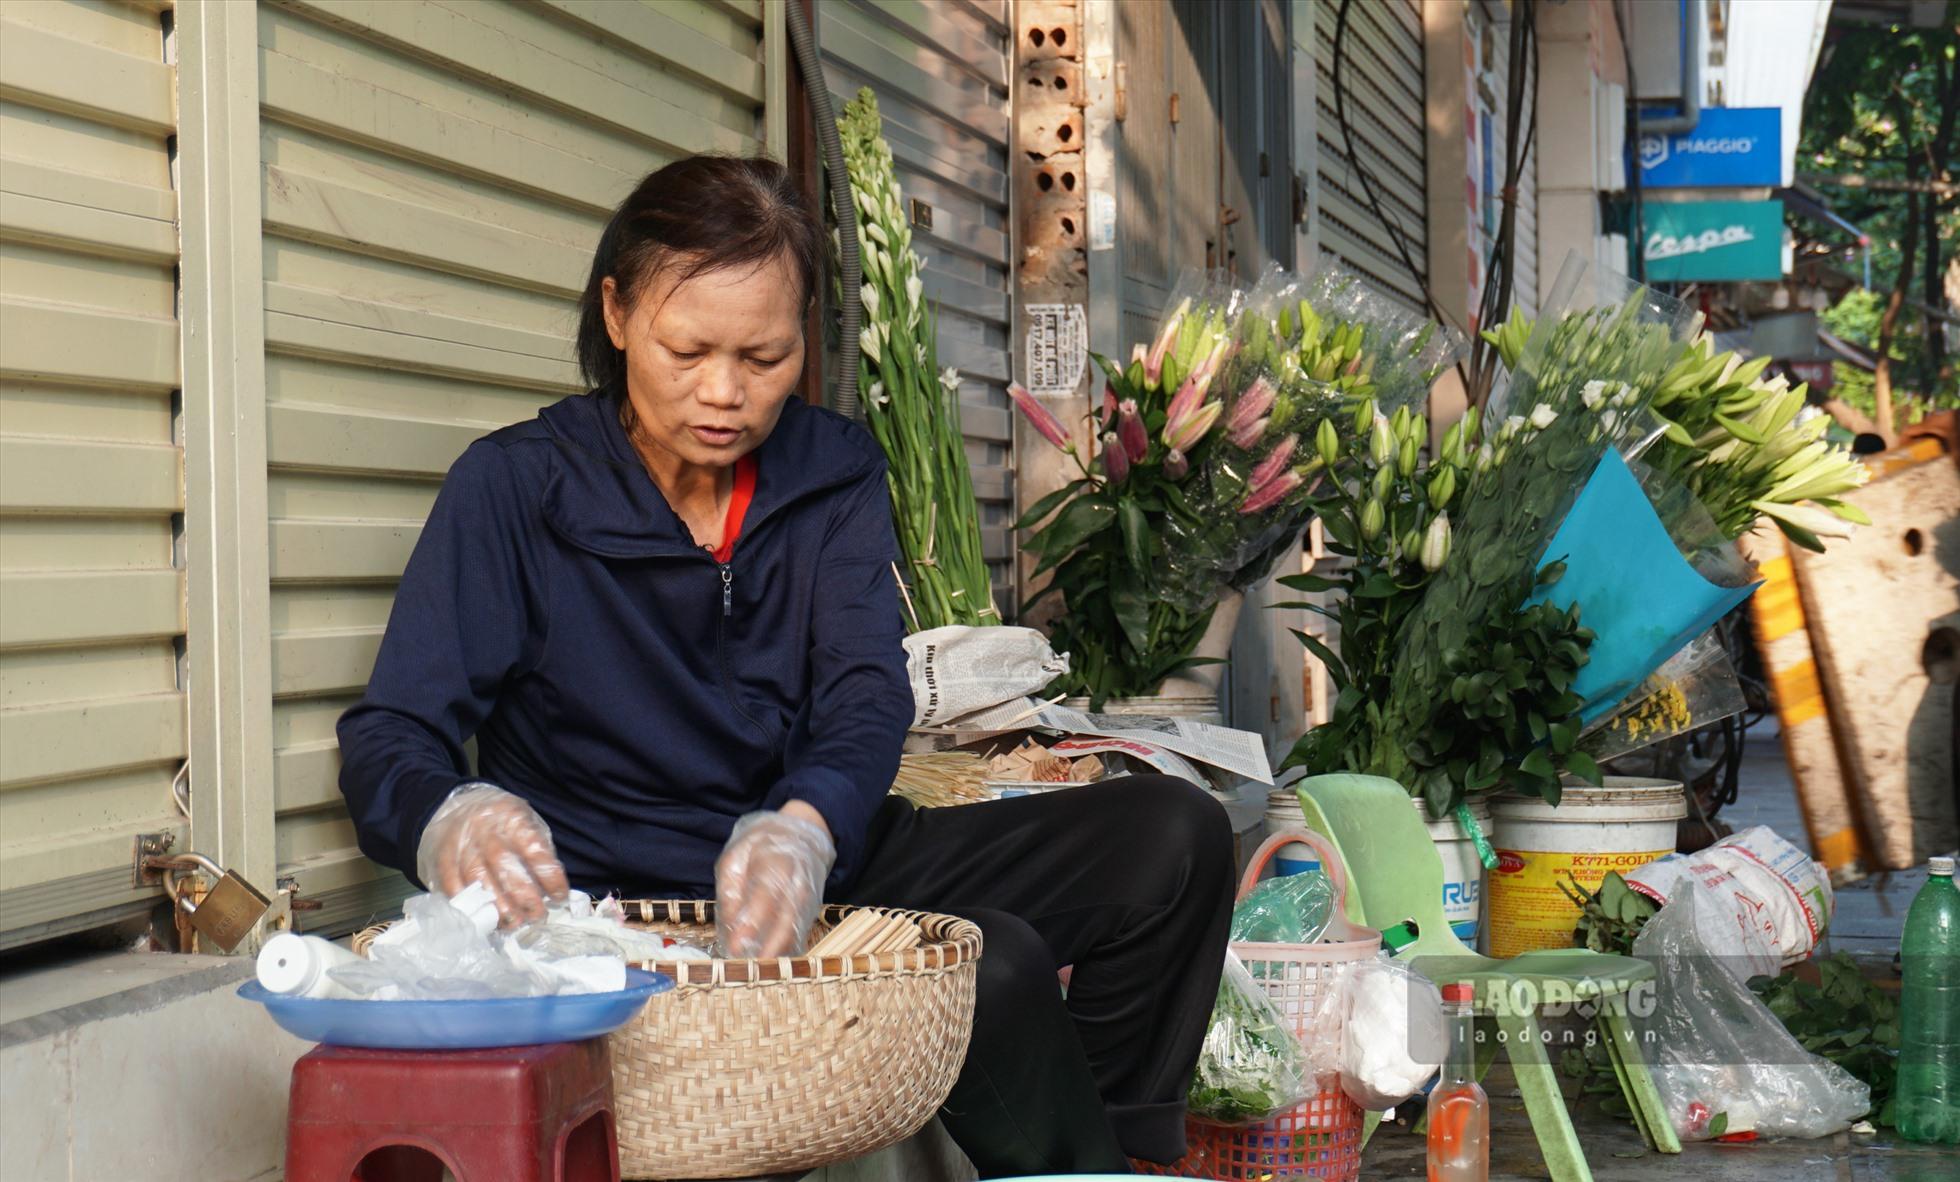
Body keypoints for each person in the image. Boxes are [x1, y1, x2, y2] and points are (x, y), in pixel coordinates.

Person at [336, 155, 1235, 1177]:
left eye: (763, 358)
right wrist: (449, 816)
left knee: (1172, 836)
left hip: (812, 862)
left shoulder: (830, 468)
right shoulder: (515, 490)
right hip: (624, 914)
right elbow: (388, 735)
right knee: (994, 967)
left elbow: (861, 689)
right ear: (618, 314)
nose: (724, 394)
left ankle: (1114, 1164)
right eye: (689, 351)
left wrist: (804, 827)